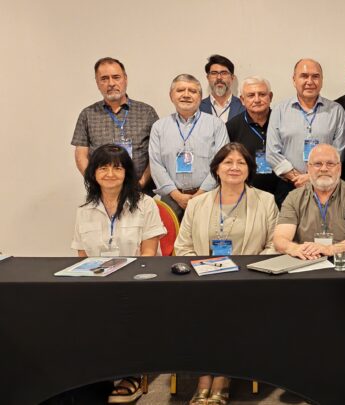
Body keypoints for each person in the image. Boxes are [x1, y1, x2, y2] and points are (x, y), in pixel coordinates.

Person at [173, 143, 277, 405]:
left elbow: (274, 245)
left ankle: (218, 377)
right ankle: (208, 376)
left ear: (249, 169)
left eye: (241, 162)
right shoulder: (197, 204)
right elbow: (182, 247)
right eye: (228, 162)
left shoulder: (265, 201)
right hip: (203, 280)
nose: (234, 167)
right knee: (206, 305)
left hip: (248, 280)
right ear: (216, 169)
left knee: (227, 305)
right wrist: (203, 270)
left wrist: (248, 270)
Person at [71, 143, 165, 404]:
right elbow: (82, 259)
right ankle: (99, 374)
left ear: (127, 172)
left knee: (128, 312)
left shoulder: (145, 205)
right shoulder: (84, 210)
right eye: (103, 167)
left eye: (117, 167)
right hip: (100, 286)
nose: (110, 173)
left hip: (138, 284)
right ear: (93, 173)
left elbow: (149, 255)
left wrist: (126, 284)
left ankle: (131, 374)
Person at [266, 58, 345, 206]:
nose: (310, 81)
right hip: (289, 186)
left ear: (322, 80)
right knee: (288, 229)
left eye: (315, 76)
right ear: (294, 79)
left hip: (326, 187)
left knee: (324, 229)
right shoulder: (279, 110)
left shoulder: (336, 111)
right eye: (304, 76)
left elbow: (339, 152)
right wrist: (297, 177)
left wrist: (311, 177)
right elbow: (272, 152)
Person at [72, 57, 159, 192]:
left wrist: (142, 181)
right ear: (97, 83)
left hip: (141, 191)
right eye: (104, 79)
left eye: (116, 77)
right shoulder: (87, 114)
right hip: (103, 193)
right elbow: (81, 155)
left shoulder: (147, 112)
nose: (111, 83)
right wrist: (96, 183)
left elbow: (156, 153)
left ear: (125, 79)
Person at [149, 74, 229, 220]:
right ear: (171, 96)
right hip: (171, 198)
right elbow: (156, 164)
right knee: (171, 241)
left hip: (208, 196)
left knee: (205, 240)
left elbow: (222, 163)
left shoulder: (216, 125)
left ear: (200, 97)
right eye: (180, 90)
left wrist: (200, 194)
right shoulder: (159, 127)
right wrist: (176, 195)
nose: (186, 95)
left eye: (192, 91)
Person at [273, 143, 345, 259]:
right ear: (308, 168)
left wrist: (328, 249)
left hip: (343, 262)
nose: (324, 169)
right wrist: (296, 249)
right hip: (306, 260)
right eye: (318, 164)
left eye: (330, 164)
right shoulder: (293, 197)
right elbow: (280, 239)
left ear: (339, 168)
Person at [225, 76, 278, 196]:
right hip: (247, 193)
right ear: (242, 100)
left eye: (262, 94)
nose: (257, 99)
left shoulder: (282, 121)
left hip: (282, 191)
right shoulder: (232, 127)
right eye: (251, 95)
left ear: (270, 97)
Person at [200, 54, 245, 122]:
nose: (219, 78)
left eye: (224, 73)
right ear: (208, 78)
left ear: (232, 78)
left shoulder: (243, 106)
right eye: (214, 73)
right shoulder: (198, 107)